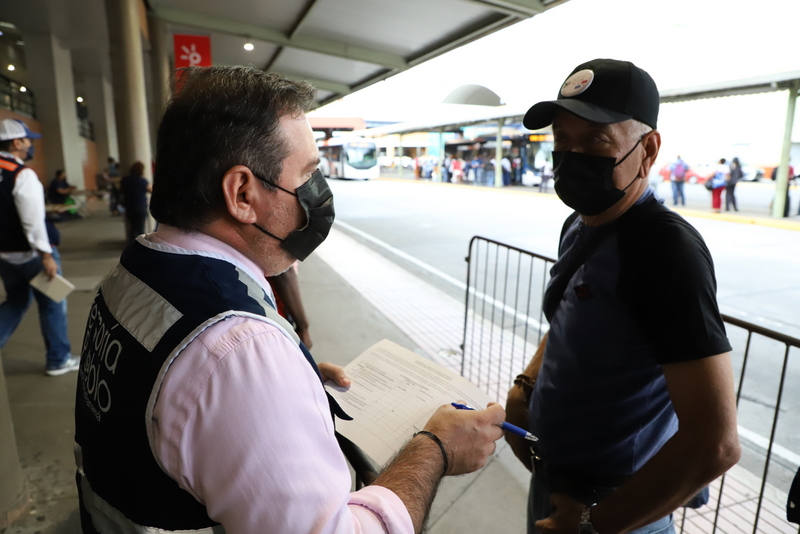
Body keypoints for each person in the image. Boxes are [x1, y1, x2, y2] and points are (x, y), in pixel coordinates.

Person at [73, 66, 505, 534]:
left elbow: (172, 402)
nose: (317, 195)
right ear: (242, 193)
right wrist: (435, 449)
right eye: (307, 175)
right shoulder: (240, 349)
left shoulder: (137, 271)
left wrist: (288, 383)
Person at [507, 59, 740, 534]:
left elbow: (715, 443)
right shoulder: (580, 225)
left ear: (648, 149)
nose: (571, 156)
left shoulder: (665, 251)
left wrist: (595, 525)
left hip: (619, 506)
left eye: (595, 140)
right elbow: (573, 316)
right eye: (562, 140)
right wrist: (525, 387)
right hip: (554, 479)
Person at [0, 119, 78, 376]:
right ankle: (58, 359)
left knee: (16, 300)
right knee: (53, 302)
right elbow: (32, 221)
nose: (31, 144)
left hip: (5, 255)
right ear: (16, 142)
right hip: (32, 254)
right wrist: (46, 255)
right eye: (27, 139)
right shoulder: (22, 174)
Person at [120, 161, 152, 242]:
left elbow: (121, 190)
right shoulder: (142, 181)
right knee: (140, 228)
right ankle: (141, 245)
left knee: (132, 227)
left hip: (129, 206)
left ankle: (131, 244)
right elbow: (151, 190)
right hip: (140, 206)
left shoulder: (125, 180)